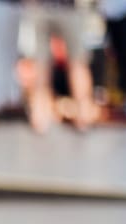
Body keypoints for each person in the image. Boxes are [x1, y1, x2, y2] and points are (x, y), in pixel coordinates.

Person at [24, 0, 99, 132]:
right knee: (77, 63)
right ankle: (82, 115)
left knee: (43, 64)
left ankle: (40, 115)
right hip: (68, 9)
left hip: (44, 8)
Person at [0, 0, 25, 119]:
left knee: (10, 56)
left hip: (13, 7)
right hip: (2, 6)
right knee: (1, 56)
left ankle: (10, 99)